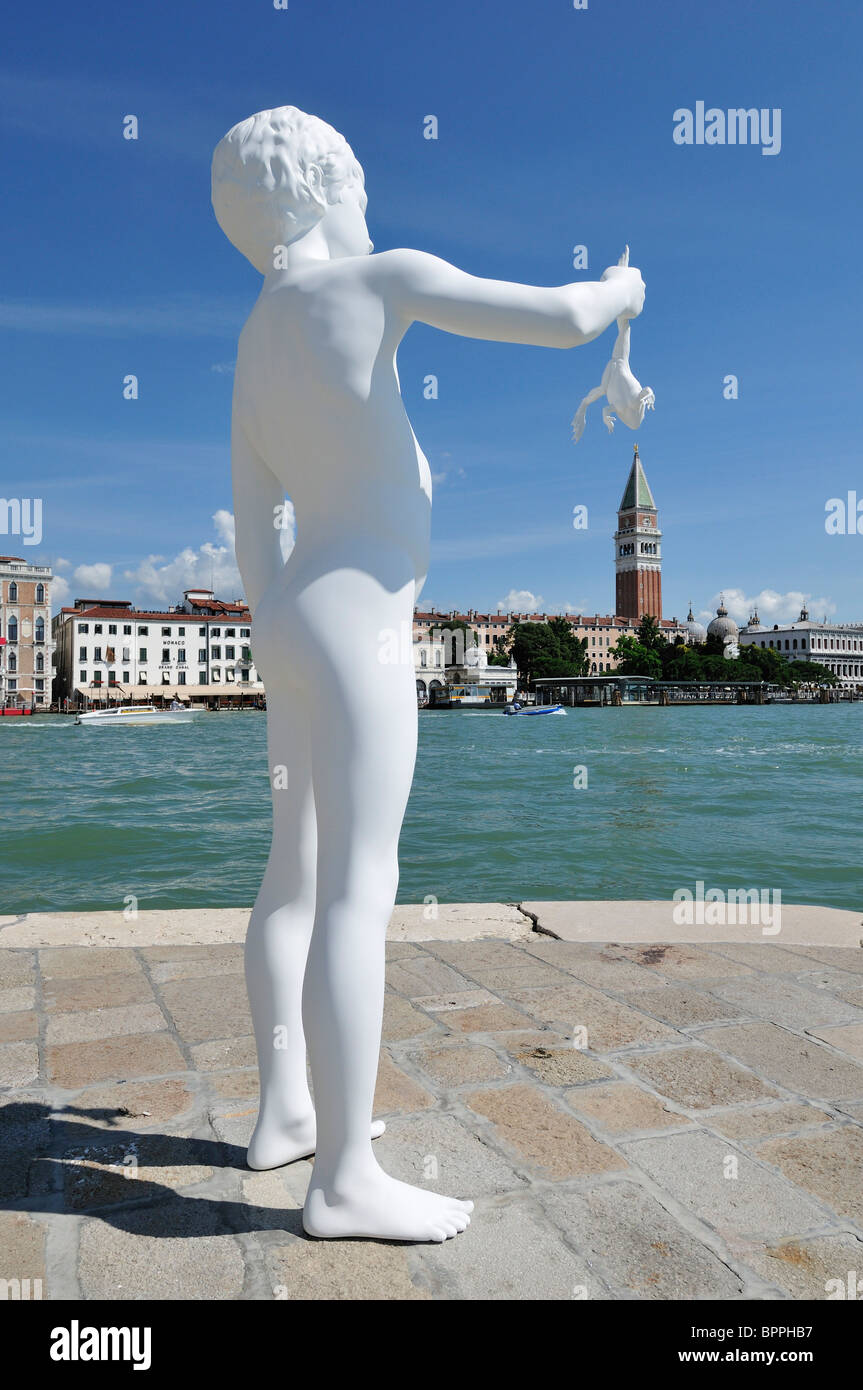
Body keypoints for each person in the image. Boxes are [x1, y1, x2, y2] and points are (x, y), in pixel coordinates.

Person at [212, 106, 645, 1243]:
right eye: (354, 182)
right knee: (361, 887)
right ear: (314, 191)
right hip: (358, 622)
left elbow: (254, 531)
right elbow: (556, 320)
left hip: (290, 616)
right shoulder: (377, 277)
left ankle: (284, 1113)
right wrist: (621, 288)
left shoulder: (256, 344)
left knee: (290, 878)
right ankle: (344, 1177)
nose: (368, 205)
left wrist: (268, 629)